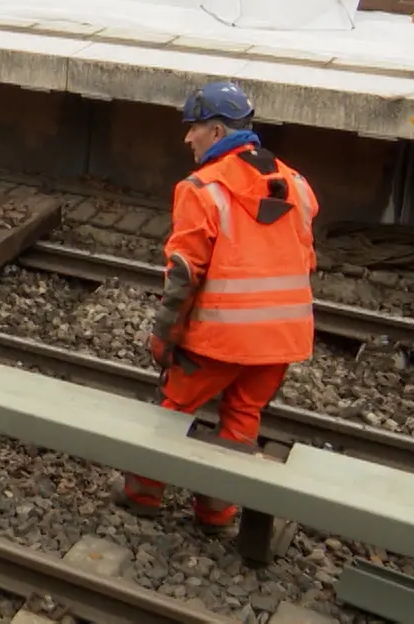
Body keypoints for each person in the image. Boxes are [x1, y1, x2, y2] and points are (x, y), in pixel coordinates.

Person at [119, 81, 319, 529]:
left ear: (215, 129)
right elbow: (305, 258)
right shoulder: (297, 184)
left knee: (173, 410)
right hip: (284, 337)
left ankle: (144, 494)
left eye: (192, 128)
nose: (187, 139)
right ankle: (217, 510)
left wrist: (164, 335)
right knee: (243, 416)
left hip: (221, 338)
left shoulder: (202, 189)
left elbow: (184, 273)